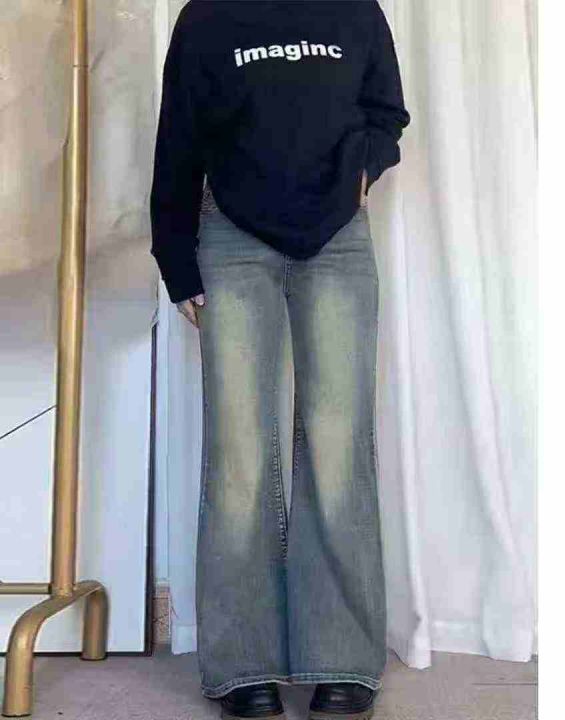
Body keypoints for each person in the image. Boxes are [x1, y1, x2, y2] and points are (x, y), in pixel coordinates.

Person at [149, 1, 410, 718]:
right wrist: (176, 260)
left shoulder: (355, 11)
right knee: (238, 453)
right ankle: (242, 664)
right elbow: (178, 141)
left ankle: (342, 659)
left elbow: (386, 112)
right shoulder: (207, 18)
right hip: (232, 242)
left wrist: (362, 170)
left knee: (336, 446)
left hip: (338, 241)